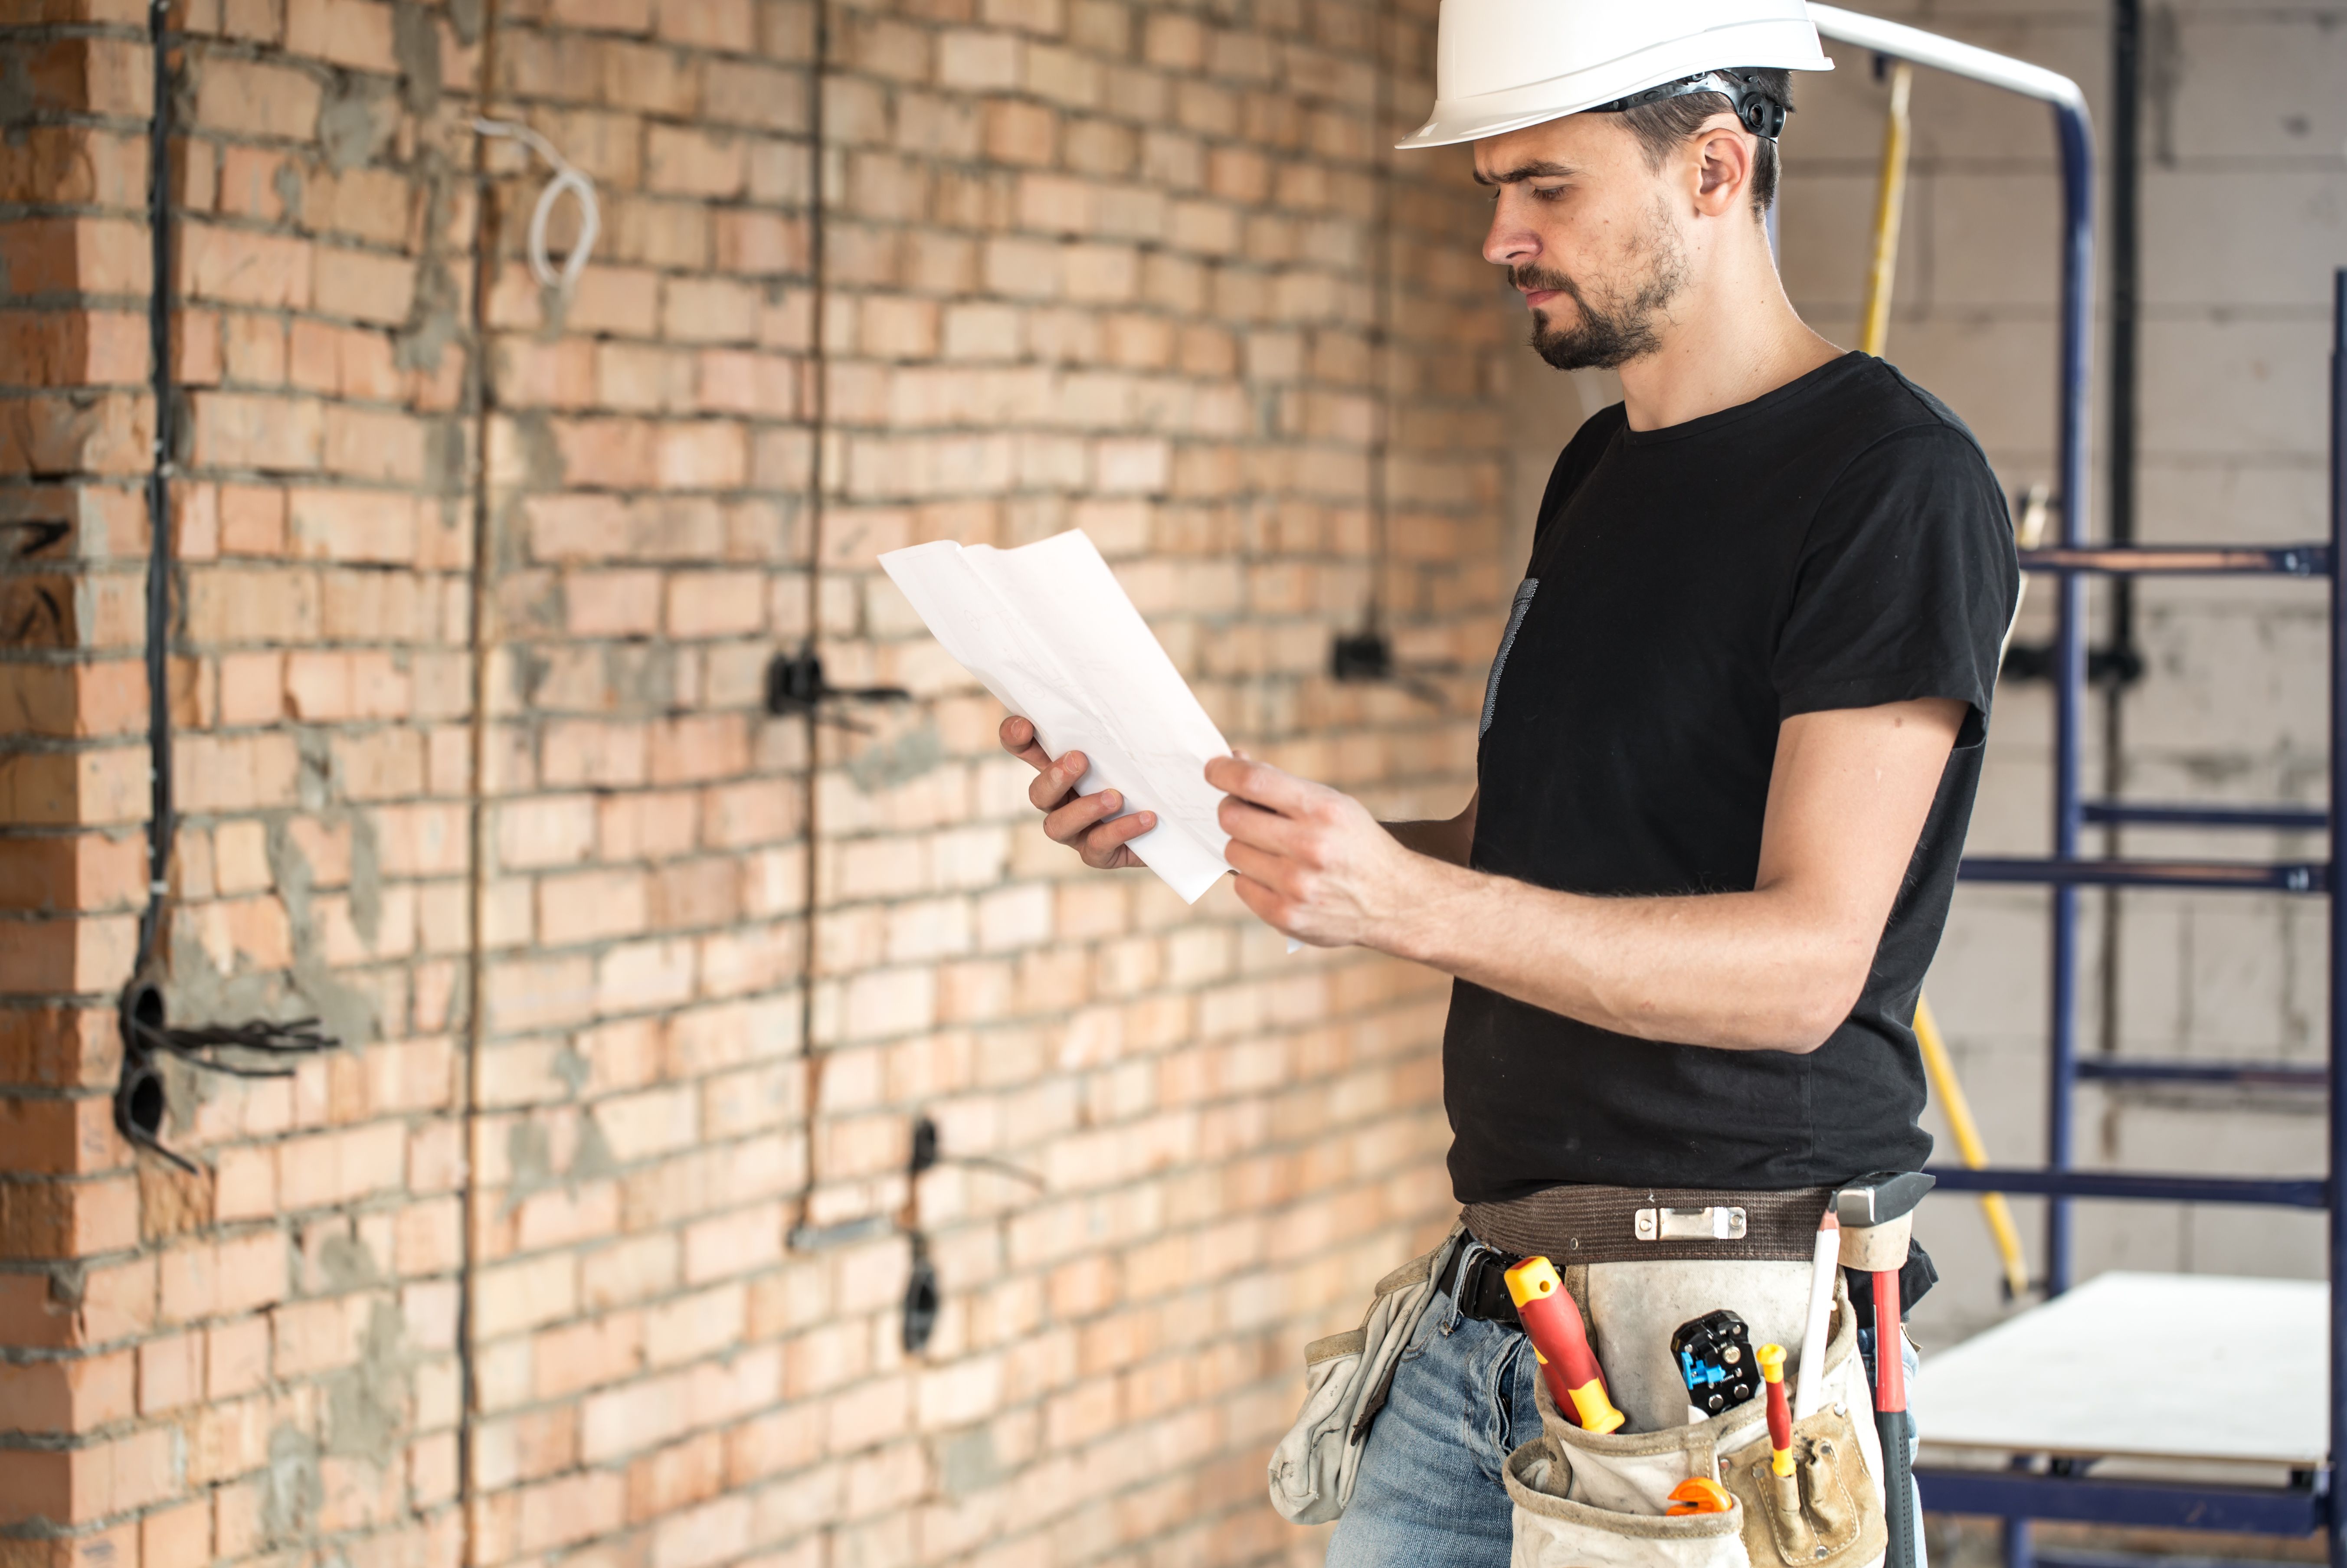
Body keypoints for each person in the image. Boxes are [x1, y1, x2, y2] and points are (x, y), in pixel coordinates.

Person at [998, 3, 2017, 1561]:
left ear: (1713, 170)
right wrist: (1215, 830)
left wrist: (1401, 901)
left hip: (1712, 1340)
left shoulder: (1890, 484)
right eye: (1492, 189)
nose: (1499, 238)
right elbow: (1525, 855)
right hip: (1492, 1307)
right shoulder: (1599, 471)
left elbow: (1803, 969)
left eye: (1546, 186)